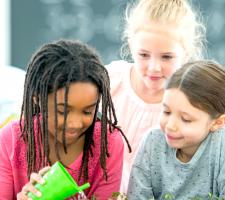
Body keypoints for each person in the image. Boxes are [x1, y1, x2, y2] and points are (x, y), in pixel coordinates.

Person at [0, 39, 130, 199]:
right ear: (37, 99)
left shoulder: (108, 143)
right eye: (62, 111)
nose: (75, 123)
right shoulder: (11, 140)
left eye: (88, 111)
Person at [106, 0, 206, 192]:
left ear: (186, 55)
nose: (154, 67)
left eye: (167, 57)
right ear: (130, 45)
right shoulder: (109, 82)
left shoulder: (192, 106)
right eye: (143, 55)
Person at [127, 60, 225, 199]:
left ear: (217, 122)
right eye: (166, 111)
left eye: (186, 119)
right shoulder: (152, 141)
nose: (170, 125)